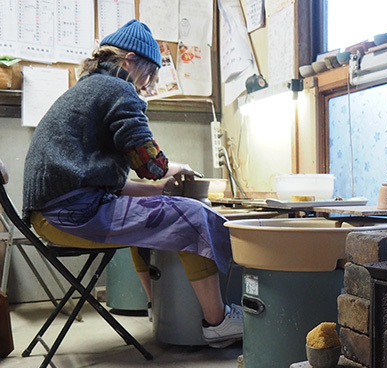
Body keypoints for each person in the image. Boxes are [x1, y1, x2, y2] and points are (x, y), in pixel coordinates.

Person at [21, 19, 242, 348]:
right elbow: (151, 164)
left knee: (153, 215)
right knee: (194, 216)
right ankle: (217, 322)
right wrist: (176, 168)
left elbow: (95, 180)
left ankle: (159, 309)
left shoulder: (89, 88)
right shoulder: (117, 88)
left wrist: (154, 191)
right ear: (128, 61)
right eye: (149, 75)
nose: (146, 86)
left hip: (48, 216)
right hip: (70, 215)